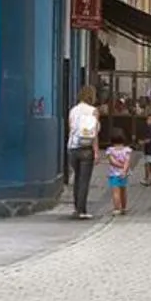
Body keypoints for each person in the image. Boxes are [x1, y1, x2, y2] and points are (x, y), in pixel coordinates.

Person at [65, 86, 100, 220]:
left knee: (77, 178)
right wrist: (96, 152)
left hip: (73, 148)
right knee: (84, 180)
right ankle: (82, 210)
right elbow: (94, 133)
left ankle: (76, 208)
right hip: (87, 148)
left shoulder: (73, 110)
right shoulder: (93, 111)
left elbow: (71, 129)